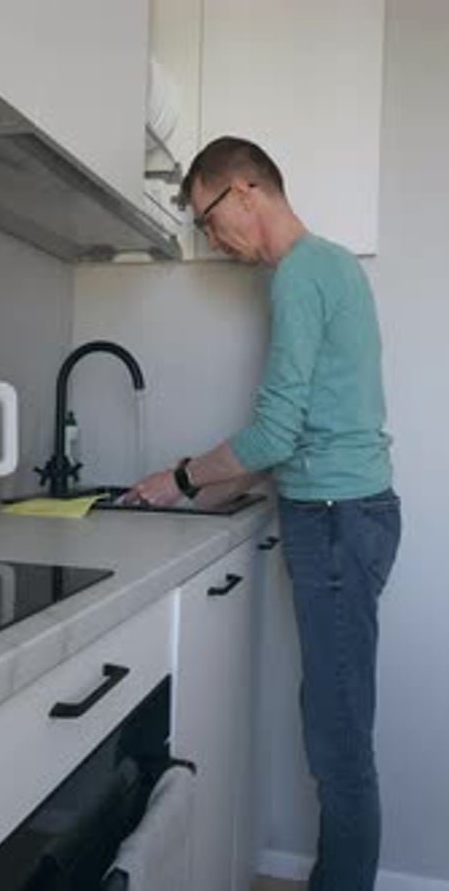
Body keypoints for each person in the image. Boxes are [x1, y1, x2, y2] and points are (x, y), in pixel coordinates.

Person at [125, 136, 401, 891]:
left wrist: (180, 476)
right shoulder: (329, 266)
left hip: (338, 523)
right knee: (338, 727)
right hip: (346, 514)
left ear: (247, 190)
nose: (213, 239)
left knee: (339, 744)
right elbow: (303, 436)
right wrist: (201, 489)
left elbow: (277, 433)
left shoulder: (301, 273)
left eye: (210, 218)